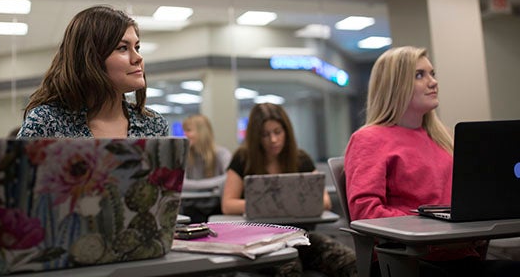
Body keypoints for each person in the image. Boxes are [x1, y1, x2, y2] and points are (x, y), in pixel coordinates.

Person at [345, 46, 520, 277]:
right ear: (395, 85)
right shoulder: (369, 139)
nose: (433, 82)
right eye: (420, 75)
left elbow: (467, 203)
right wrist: (437, 234)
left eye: (432, 73)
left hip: (460, 257)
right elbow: (365, 212)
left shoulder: (444, 138)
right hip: (406, 262)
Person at [222, 103, 356, 277]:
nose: (273, 140)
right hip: (261, 241)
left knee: (351, 262)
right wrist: (277, 205)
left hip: (300, 237)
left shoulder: (301, 159)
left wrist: (280, 204)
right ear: (256, 137)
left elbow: (324, 201)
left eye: (277, 132)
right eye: (265, 135)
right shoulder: (242, 159)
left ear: (286, 131)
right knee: (289, 269)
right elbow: (228, 204)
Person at [17, 5, 168, 138]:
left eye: (137, 47)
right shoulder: (47, 122)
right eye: (122, 48)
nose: (138, 58)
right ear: (91, 58)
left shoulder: (154, 126)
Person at [180, 114, 231, 222]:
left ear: (201, 132)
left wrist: (196, 186)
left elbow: (230, 179)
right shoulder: (184, 156)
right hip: (190, 208)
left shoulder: (222, 154)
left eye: (189, 130)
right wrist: (214, 186)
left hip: (216, 208)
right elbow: (180, 182)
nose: (185, 135)